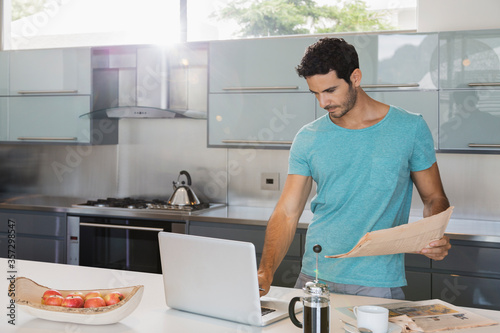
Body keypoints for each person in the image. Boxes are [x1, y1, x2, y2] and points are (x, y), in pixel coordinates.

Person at [257, 37, 451, 300]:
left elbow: (434, 197)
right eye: (315, 93)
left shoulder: (410, 128)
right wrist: (265, 271)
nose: (323, 102)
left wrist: (435, 234)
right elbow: (288, 212)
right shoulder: (308, 137)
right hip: (314, 276)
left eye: (330, 90)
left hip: (376, 282)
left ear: (355, 78)